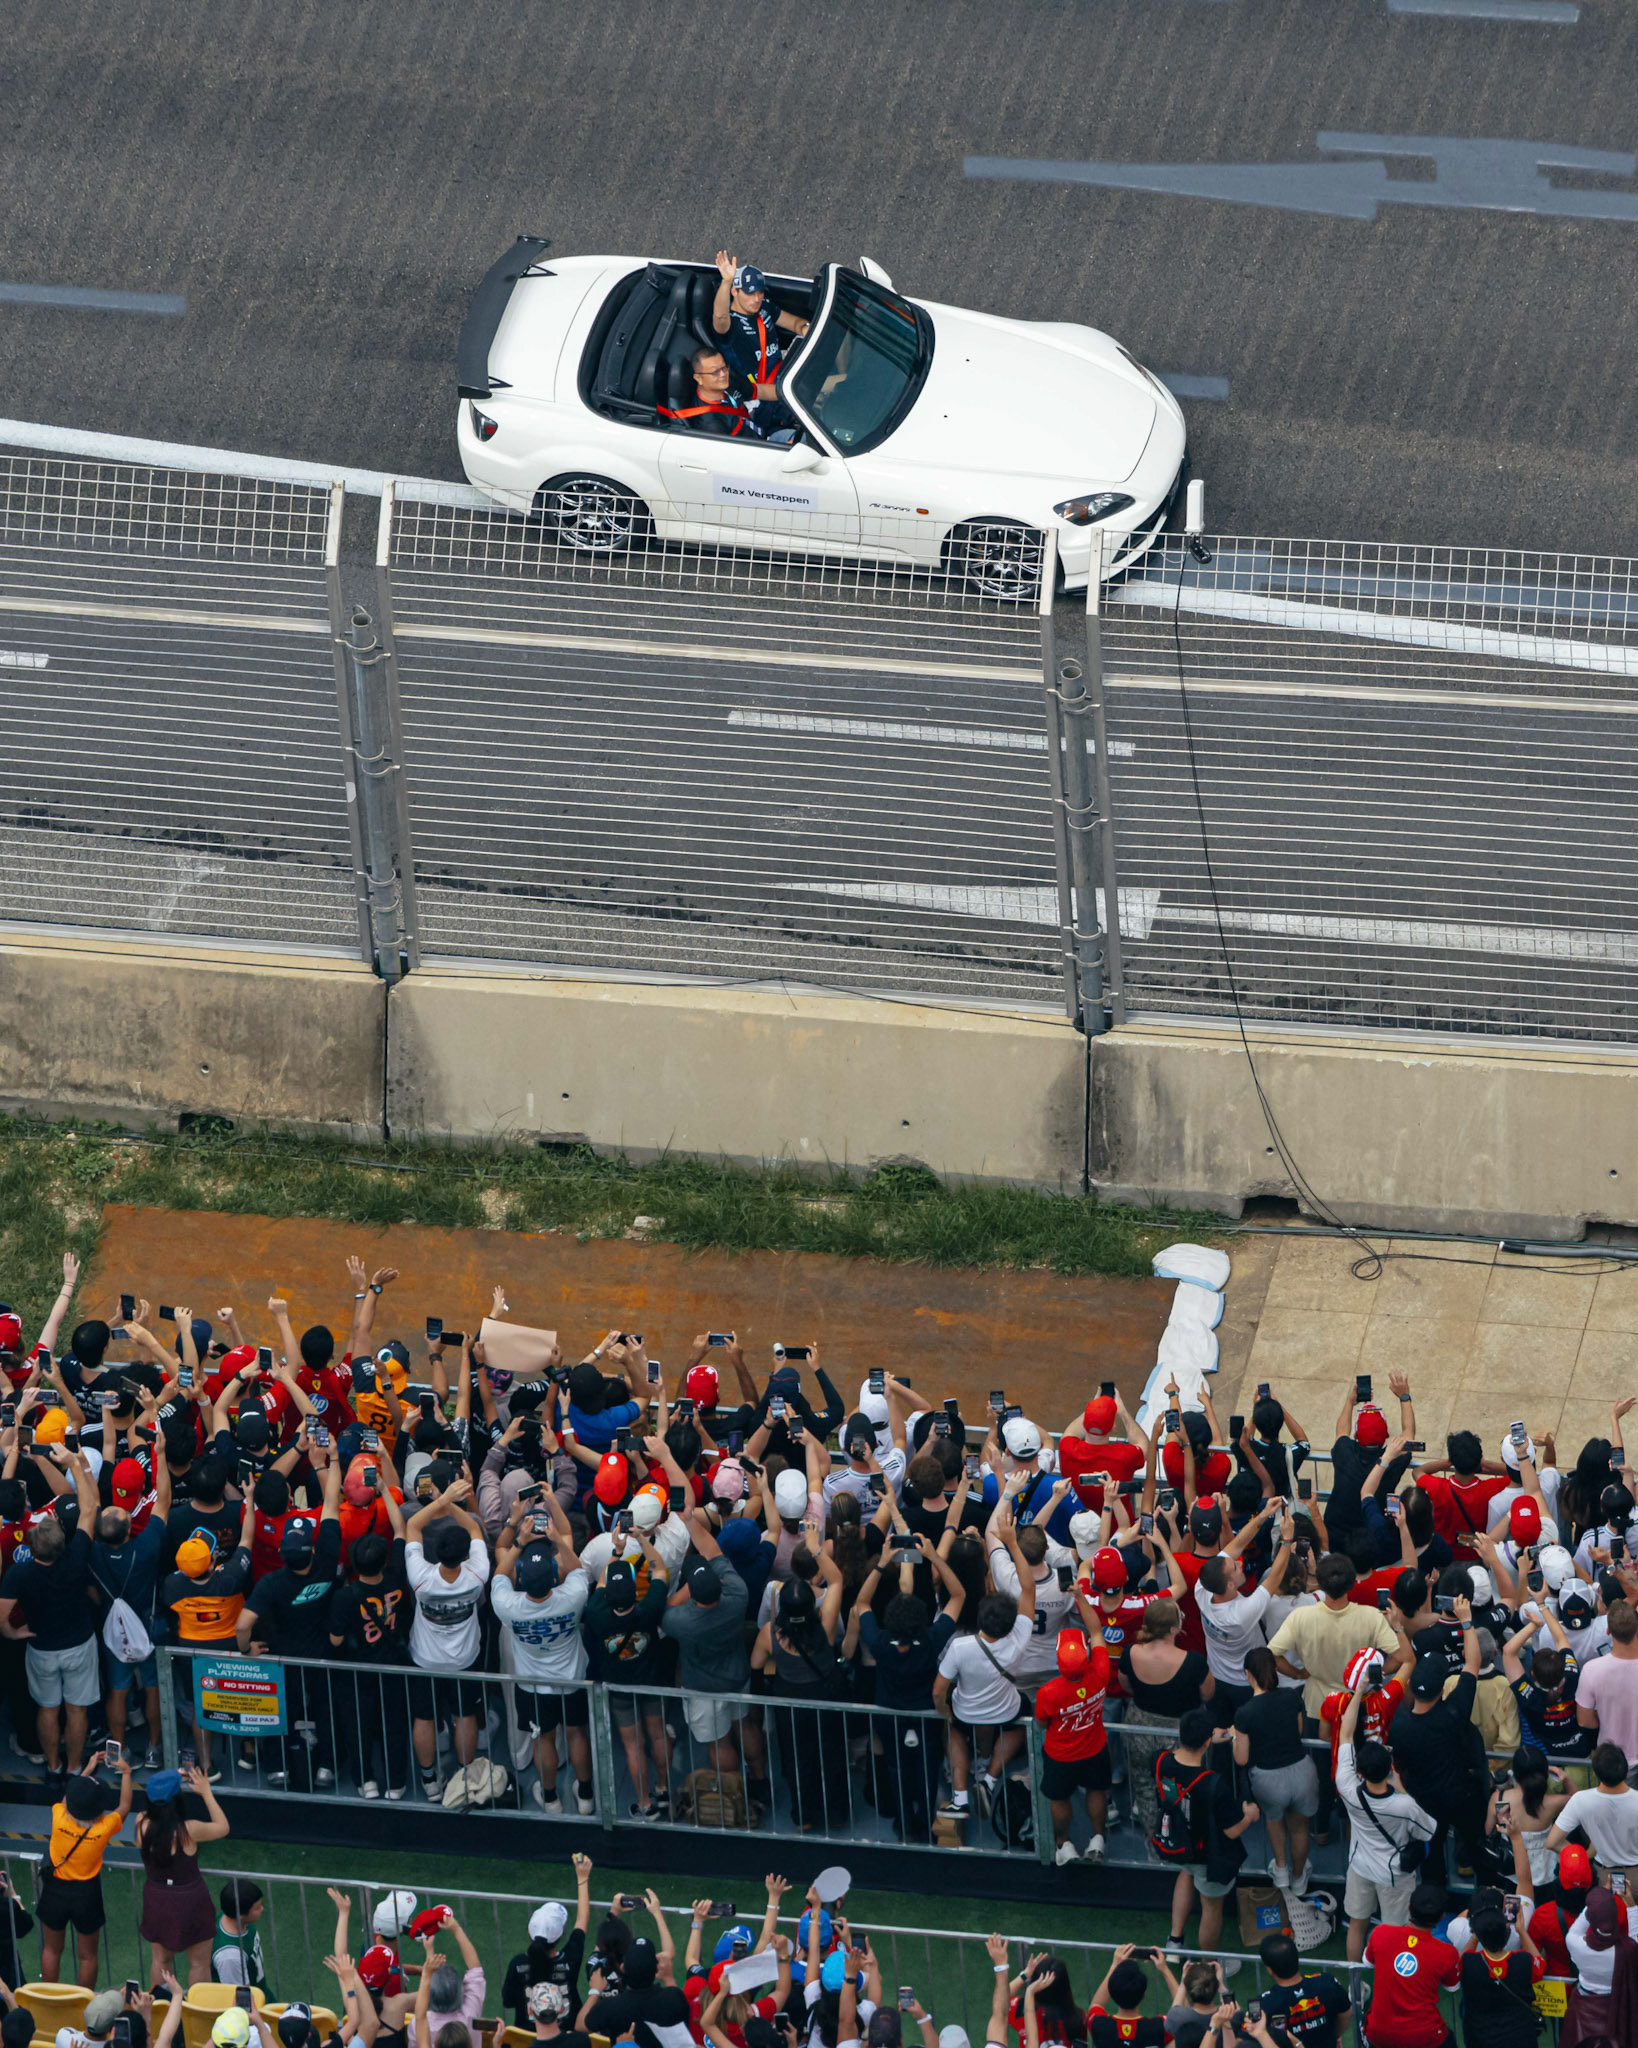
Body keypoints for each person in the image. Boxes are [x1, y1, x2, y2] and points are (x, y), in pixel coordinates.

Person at [0, 1447, 102, 1782]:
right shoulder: (76, 1558)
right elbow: (89, 1508)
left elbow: (1, 1613)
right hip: (78, 1645)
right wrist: (74, 1463)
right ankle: (74, 1767)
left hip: (41, 1648)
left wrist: (12, 1633)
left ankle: (53, 1766)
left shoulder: (20, 1574)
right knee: (76, 1710)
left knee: (47, 1709)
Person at [491, 1491, 593, 1815]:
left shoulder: (508, 1605)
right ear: (554, 1574)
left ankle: (550, 1799)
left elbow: (498, 1570)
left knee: (543, 1739)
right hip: (573, 1680)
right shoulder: (572, 1596)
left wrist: (518, 1538)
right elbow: (573, 1560)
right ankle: (587, 1797)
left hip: (533, 1686)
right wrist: (555, 1527)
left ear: (519, 1576)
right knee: (576, 1734)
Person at [1335, 1665, 1437, 1964]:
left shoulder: (1348, 1788)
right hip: (1394, 1875)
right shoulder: (1403, 1805)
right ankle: (1389, 1984)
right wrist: (1402, 1787)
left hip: (1359, 1866)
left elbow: (1345, 1733)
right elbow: (1429, 1831)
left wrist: (1358, 1692)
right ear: (1390, 1768)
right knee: (1395, 1934)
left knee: (1357, 1924)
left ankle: (1356, 1982)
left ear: (1360, 1772)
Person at [1389, 1598, 1494, 1881]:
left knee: (1431, 1858)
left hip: (1422, 1801)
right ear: (1442, 1688)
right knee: (1474, 1847)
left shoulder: (1398, 1727)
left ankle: (1433, 1903)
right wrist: (1467, 1621)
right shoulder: (1454, 1710)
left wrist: (1398, 1628)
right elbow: (1473, 1662)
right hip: (1460, 1796)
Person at [404, 1476, 492, 1802]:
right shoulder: (478, 1574)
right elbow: (474, 1529)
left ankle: (429, 1781)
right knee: (464, 1714)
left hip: (424, 1658)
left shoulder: (420, 1577)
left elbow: (413, 1525)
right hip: (464, 1658)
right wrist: (453, 1500)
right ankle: (465, 1774)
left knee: (424, 1717)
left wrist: (440, 1501)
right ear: (467, 1554)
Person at [1156, 1706, 1260, 1959]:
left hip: (1178, 1844)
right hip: (1207, 1854)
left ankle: (1175, 1941)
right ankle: (1209, 1963)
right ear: (1206, 1742)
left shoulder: (1160, 1760)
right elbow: (1233, 1831)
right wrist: (1249, 1815)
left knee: (1185, 1874)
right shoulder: (1213, 1783)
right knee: (1211, 1907)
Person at [661, 1512, 757, 1782]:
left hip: (703, 1690)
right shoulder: (738, 1594)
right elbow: (714, 1551)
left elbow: (668, 1608)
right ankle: (759, 1778)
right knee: (746, 1725)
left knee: (719, 1743)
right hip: (738, 1676)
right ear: (721, 1584)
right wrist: (690, 1520)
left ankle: (733, 1790)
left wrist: (688, 1588)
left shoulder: (682, 1622)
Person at [1120, 1597, 1212, 1843]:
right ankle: (1184, 1842)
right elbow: (1207, 1693)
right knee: (1182, 1789)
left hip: (1139, 1730)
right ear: (1174, 1629)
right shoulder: (1193, 1661)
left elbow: (1125, 1684)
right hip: (1178, 1736)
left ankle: (1155, 1844)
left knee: (1144, 1788)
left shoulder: (1131, 1653)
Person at [37, 1753, 131, 1986]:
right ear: (99, 1810)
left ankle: (48, 1997)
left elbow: (69, 1797)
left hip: (55, 1889)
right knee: (88, 1956)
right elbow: (125, 1806)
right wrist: (127, 1773)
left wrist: (87, 1768)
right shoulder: (103, 1830)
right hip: (86, 1894)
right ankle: (83, 2003)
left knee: (51, 1949)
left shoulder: (58, 1817)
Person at [1232, 1646, 1319, 1896]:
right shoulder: (1292, 1697)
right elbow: (1300, 1731)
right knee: (1300, 1828)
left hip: (1268, 1779)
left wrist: (1233, 1741)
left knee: (1274, 1819)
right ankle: (1299, 1877)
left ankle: (1280, 1870)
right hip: (1302, 1772)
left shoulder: (1244, 1713)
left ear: (1248, 1674)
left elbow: (1242, 1758)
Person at [136, 1761, 231, 1985]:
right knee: (199, 1963)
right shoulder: (188, 1830)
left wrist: (172, 1777)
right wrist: (206, 1792)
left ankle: (159, 2010)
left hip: (156, 1899)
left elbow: (153, 1803)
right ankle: (198, 2014)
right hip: (190, 1901)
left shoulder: (141, 1822)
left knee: (160, 1961)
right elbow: (223, 1826)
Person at [1033, 1628, 1111, 1866]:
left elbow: (1040, 1723)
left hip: (1060, 1757)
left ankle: (1063, 1845)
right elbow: (1097, 1632)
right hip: (1095, 1749)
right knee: (1096, 1791)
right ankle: (1098, 1840)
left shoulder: (1048, 1692)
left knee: (1059, 1798)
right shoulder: (1099, 1673)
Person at [1361, 1884, 1459, 2048]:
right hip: (1425, 2038)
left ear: (1409, 1908)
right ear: (1442, 1916)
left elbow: (1367, 1962)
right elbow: (1452, 1987)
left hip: (1378, 2035)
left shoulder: (1380, 1933)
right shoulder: (1447, 1953)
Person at [501, 1857, 593, 2029]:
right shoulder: (570, 1959)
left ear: (530, 1932)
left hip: (526, 2041)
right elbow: (582, 1920)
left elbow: (508, 2001)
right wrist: (582, 1878)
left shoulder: (517, 1964)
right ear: (560, 1935)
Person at [1548, 1743, 1638, 1893]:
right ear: (1625, 1769)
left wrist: (1585, 1855)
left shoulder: (1580, 1800)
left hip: (1603, 1877)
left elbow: (1552, 1842)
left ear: (1595, 1773)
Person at [1456, 1900, 1544, 2048]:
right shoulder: (1524, 1960)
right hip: (1520, 2038)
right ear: (1507, 1933)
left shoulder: (1469, 1961)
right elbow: (1540, 1964)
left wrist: (1476, 1935)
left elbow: (1459, 1964)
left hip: (1480, 2039)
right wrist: (1522, 1931)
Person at [711, 254, 810, 382]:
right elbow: (720, 317)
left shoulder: (764, 307)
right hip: (760, 390)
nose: (757, 299)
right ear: (734, 291)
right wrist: (727, 281)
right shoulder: (730, 323)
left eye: (760, 292)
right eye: (750, 293)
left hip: (783, 370)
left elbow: (796, 323)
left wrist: (806, 329)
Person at [1561, 1884, 1638, 2048]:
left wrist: (1601, 1892)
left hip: (1583, 2009)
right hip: (1617, 2009)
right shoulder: (1629, 1949)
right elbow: (1635, 1932)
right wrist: (1630, 1902)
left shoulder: (1575, 1943)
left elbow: (1579, 1926)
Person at [659, 349, 780, 439]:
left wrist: (789, 396)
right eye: (715, 372)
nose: (723, 374)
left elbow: (761, 391)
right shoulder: (711, 425)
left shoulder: (728, 380)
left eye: (724, 367)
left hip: (763, 429)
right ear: (698, 378)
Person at [1254, 1936, 1350, 2048]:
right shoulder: (1327, 1982)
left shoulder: (1261, 2003)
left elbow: (1248, 2037)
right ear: (1297, 1959)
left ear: (1269, 1970)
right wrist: (1333, 2037)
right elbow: (1346, 2014)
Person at [407, 1916, 487, 2048]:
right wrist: (456, 1930)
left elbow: (421, 2018)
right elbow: (475, 1970)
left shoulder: (418, 2024)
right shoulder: (470, 2014)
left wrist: (429, 1957)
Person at [1575, 1597, 1638, 1755]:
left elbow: (1584, 1720)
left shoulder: (1591, 1670)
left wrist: (1608, 1721)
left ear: (1608, 1631)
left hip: (1613, 1759)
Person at [1085, 1945, 1180, 2047]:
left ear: (1111, 1992)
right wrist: (1164, 1969)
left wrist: (1114, 1966)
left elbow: (1096, 2004)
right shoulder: (1160, 2027)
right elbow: (1183, 2012)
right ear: (1143, 1995)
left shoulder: (1097, 2024)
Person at [210, 1877, 267, 1990]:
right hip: (255, 2002)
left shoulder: (233, 1918)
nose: (262, 1909)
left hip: (261, 1991)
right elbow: (241, 1997)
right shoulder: (229, 1956)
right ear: (240, 1915)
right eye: (257, 1908)